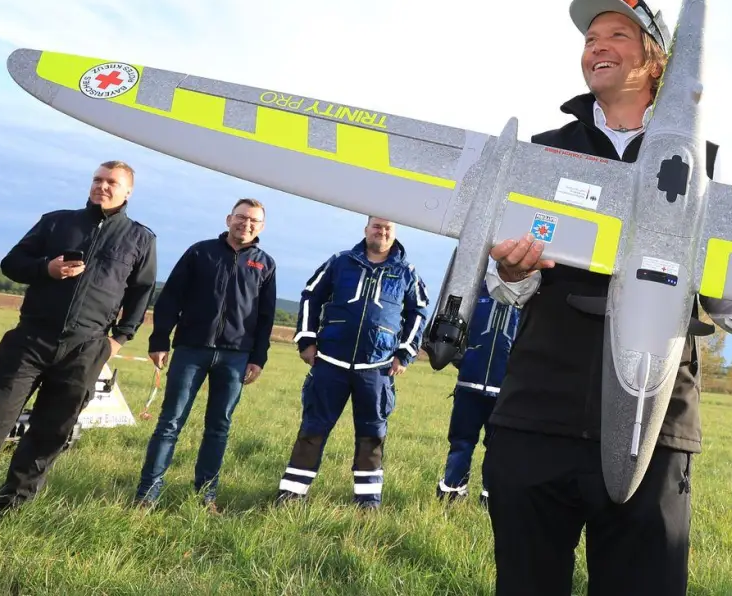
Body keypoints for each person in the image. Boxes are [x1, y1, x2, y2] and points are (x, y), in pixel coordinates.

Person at [483, 0, 732, 595]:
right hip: (537, 420)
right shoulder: (544, 150)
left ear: (655, 61)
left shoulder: (704, 171)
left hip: (655, 431)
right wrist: (510, 271)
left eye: (617, 36)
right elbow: (504, 284)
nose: (597, 48)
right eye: (590, 40)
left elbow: (723, 295)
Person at [0, 161, 157, 516]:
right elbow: (12, 264)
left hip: (86, 348)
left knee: (50, 432)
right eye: (97, 179)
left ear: (128, 191)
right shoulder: (57, 221)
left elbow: (141, 294)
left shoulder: (140, 238)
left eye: (111, 182)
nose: (102, 186)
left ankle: (12, 506)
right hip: (31, 338)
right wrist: (47, 268)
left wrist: (117, 340)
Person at [275, 216, 430, 509]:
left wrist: (405, 352)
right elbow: (311, 296)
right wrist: (306, 340)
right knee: (313, 428)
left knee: (372, 434)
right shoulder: (340, 262)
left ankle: (367, 502)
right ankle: (291, 495)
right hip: (330, 362)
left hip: (377, 368)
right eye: (377, 226)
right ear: (366, 229)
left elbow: (419, 313)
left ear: (394, 233)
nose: (382, 232)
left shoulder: (407, 272)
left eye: (388, 228)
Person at [134, 198, 277, 512]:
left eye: (254, 220)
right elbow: (170, 297)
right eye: (241, 217)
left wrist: (259, 358)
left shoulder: (265, 264)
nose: (246, 224)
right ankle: (147, 494)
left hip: (236, 358)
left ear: (261, 226)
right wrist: (159, 340)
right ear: (229, 219)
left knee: (219, 427)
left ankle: (205, 497)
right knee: (169, 423)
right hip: (191, 350)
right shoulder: (200, 252)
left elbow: (266, 317)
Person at [435, 275, 519, 505]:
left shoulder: (528, 299)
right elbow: (454, 330)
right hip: (469, 385)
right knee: (461, 441)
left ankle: (491, 497)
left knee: (498, 448)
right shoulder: (476, 291)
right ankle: (452, 491)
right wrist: (463, 359)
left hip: (505, 392)